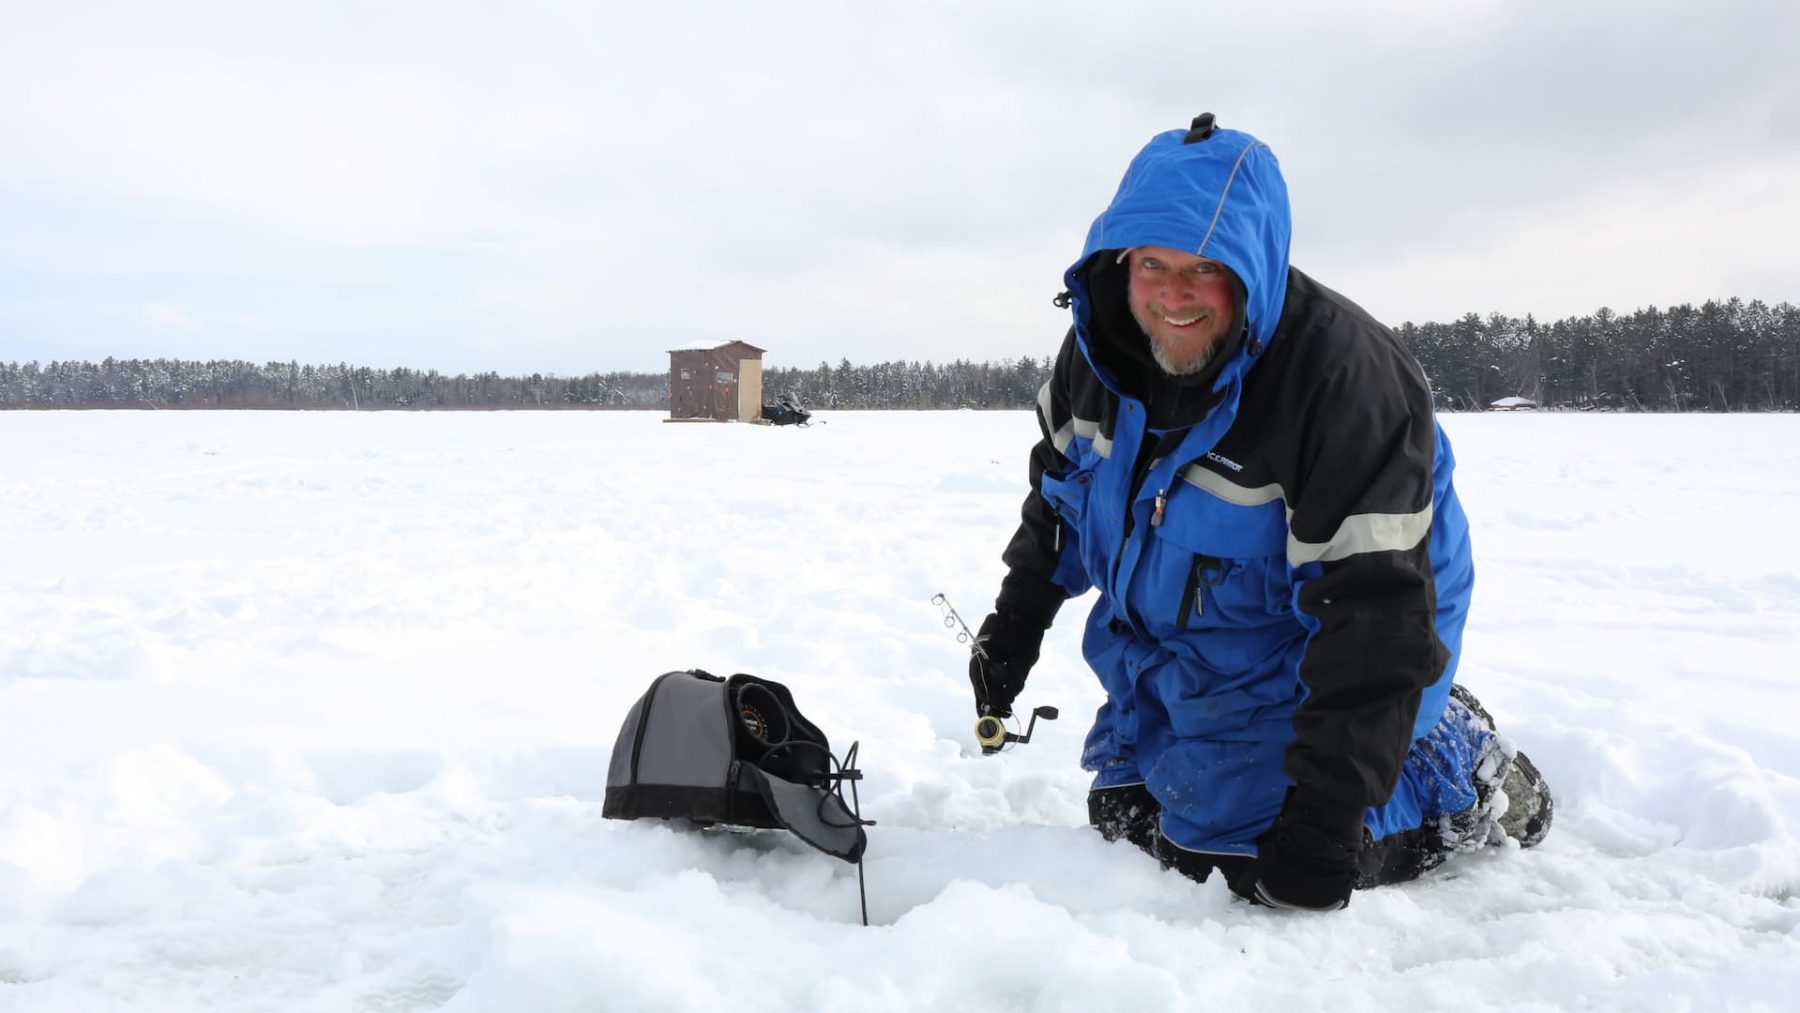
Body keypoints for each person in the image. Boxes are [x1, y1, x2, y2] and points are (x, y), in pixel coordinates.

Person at [970, 113, 1551, 911]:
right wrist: (1015, 624)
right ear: (1118, 263)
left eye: (1205, 269)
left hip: (1349, 644)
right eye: (1152, 264)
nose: (1173, 295)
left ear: (1253, 267)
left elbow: (1373, 614)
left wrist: (1326, 822)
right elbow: (1062, 503)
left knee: (1238, 863)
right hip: (1190, 645)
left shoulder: (1341, 385)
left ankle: (1451, 767)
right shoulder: (1097, 353)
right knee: (1127, 818)